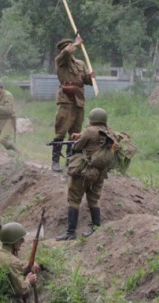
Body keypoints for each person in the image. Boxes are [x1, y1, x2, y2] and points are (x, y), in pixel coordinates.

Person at [56, 108, 111, 240]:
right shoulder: (109, 132)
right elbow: (94, 142)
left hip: (83, 171)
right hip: (99, 173)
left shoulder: (89, 131)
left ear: (92, 119)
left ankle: (70, 232)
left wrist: (78, 139)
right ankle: (96, 228)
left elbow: (77, 147)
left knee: (74, 199)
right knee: (94, 200)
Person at [51, 35, 94, 172]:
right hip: (66, 100)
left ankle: (70, 160)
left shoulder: (80, 64)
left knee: (75, 133)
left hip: (79, 100)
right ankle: (55, 161)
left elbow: (86, 80)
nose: (69, 50)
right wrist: (76, 43)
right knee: (61, 131)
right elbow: (66, 53)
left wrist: (91, 78)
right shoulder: (60, 61)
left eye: (70, 46)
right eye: (67, 48)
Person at [0, 222, 40, 302]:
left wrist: (25, 268)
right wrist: (29, 281)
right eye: (20, 239)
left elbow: (8, 274)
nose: (23, 241)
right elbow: (22, 290)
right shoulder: (12, 261)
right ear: (13, 241)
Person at [0, 78, 19, 153]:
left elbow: (8, 110)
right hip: (1, 118)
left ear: (1, 87)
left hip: (9, 119)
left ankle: (16, 152)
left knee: (2, 140)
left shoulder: (7, 95)